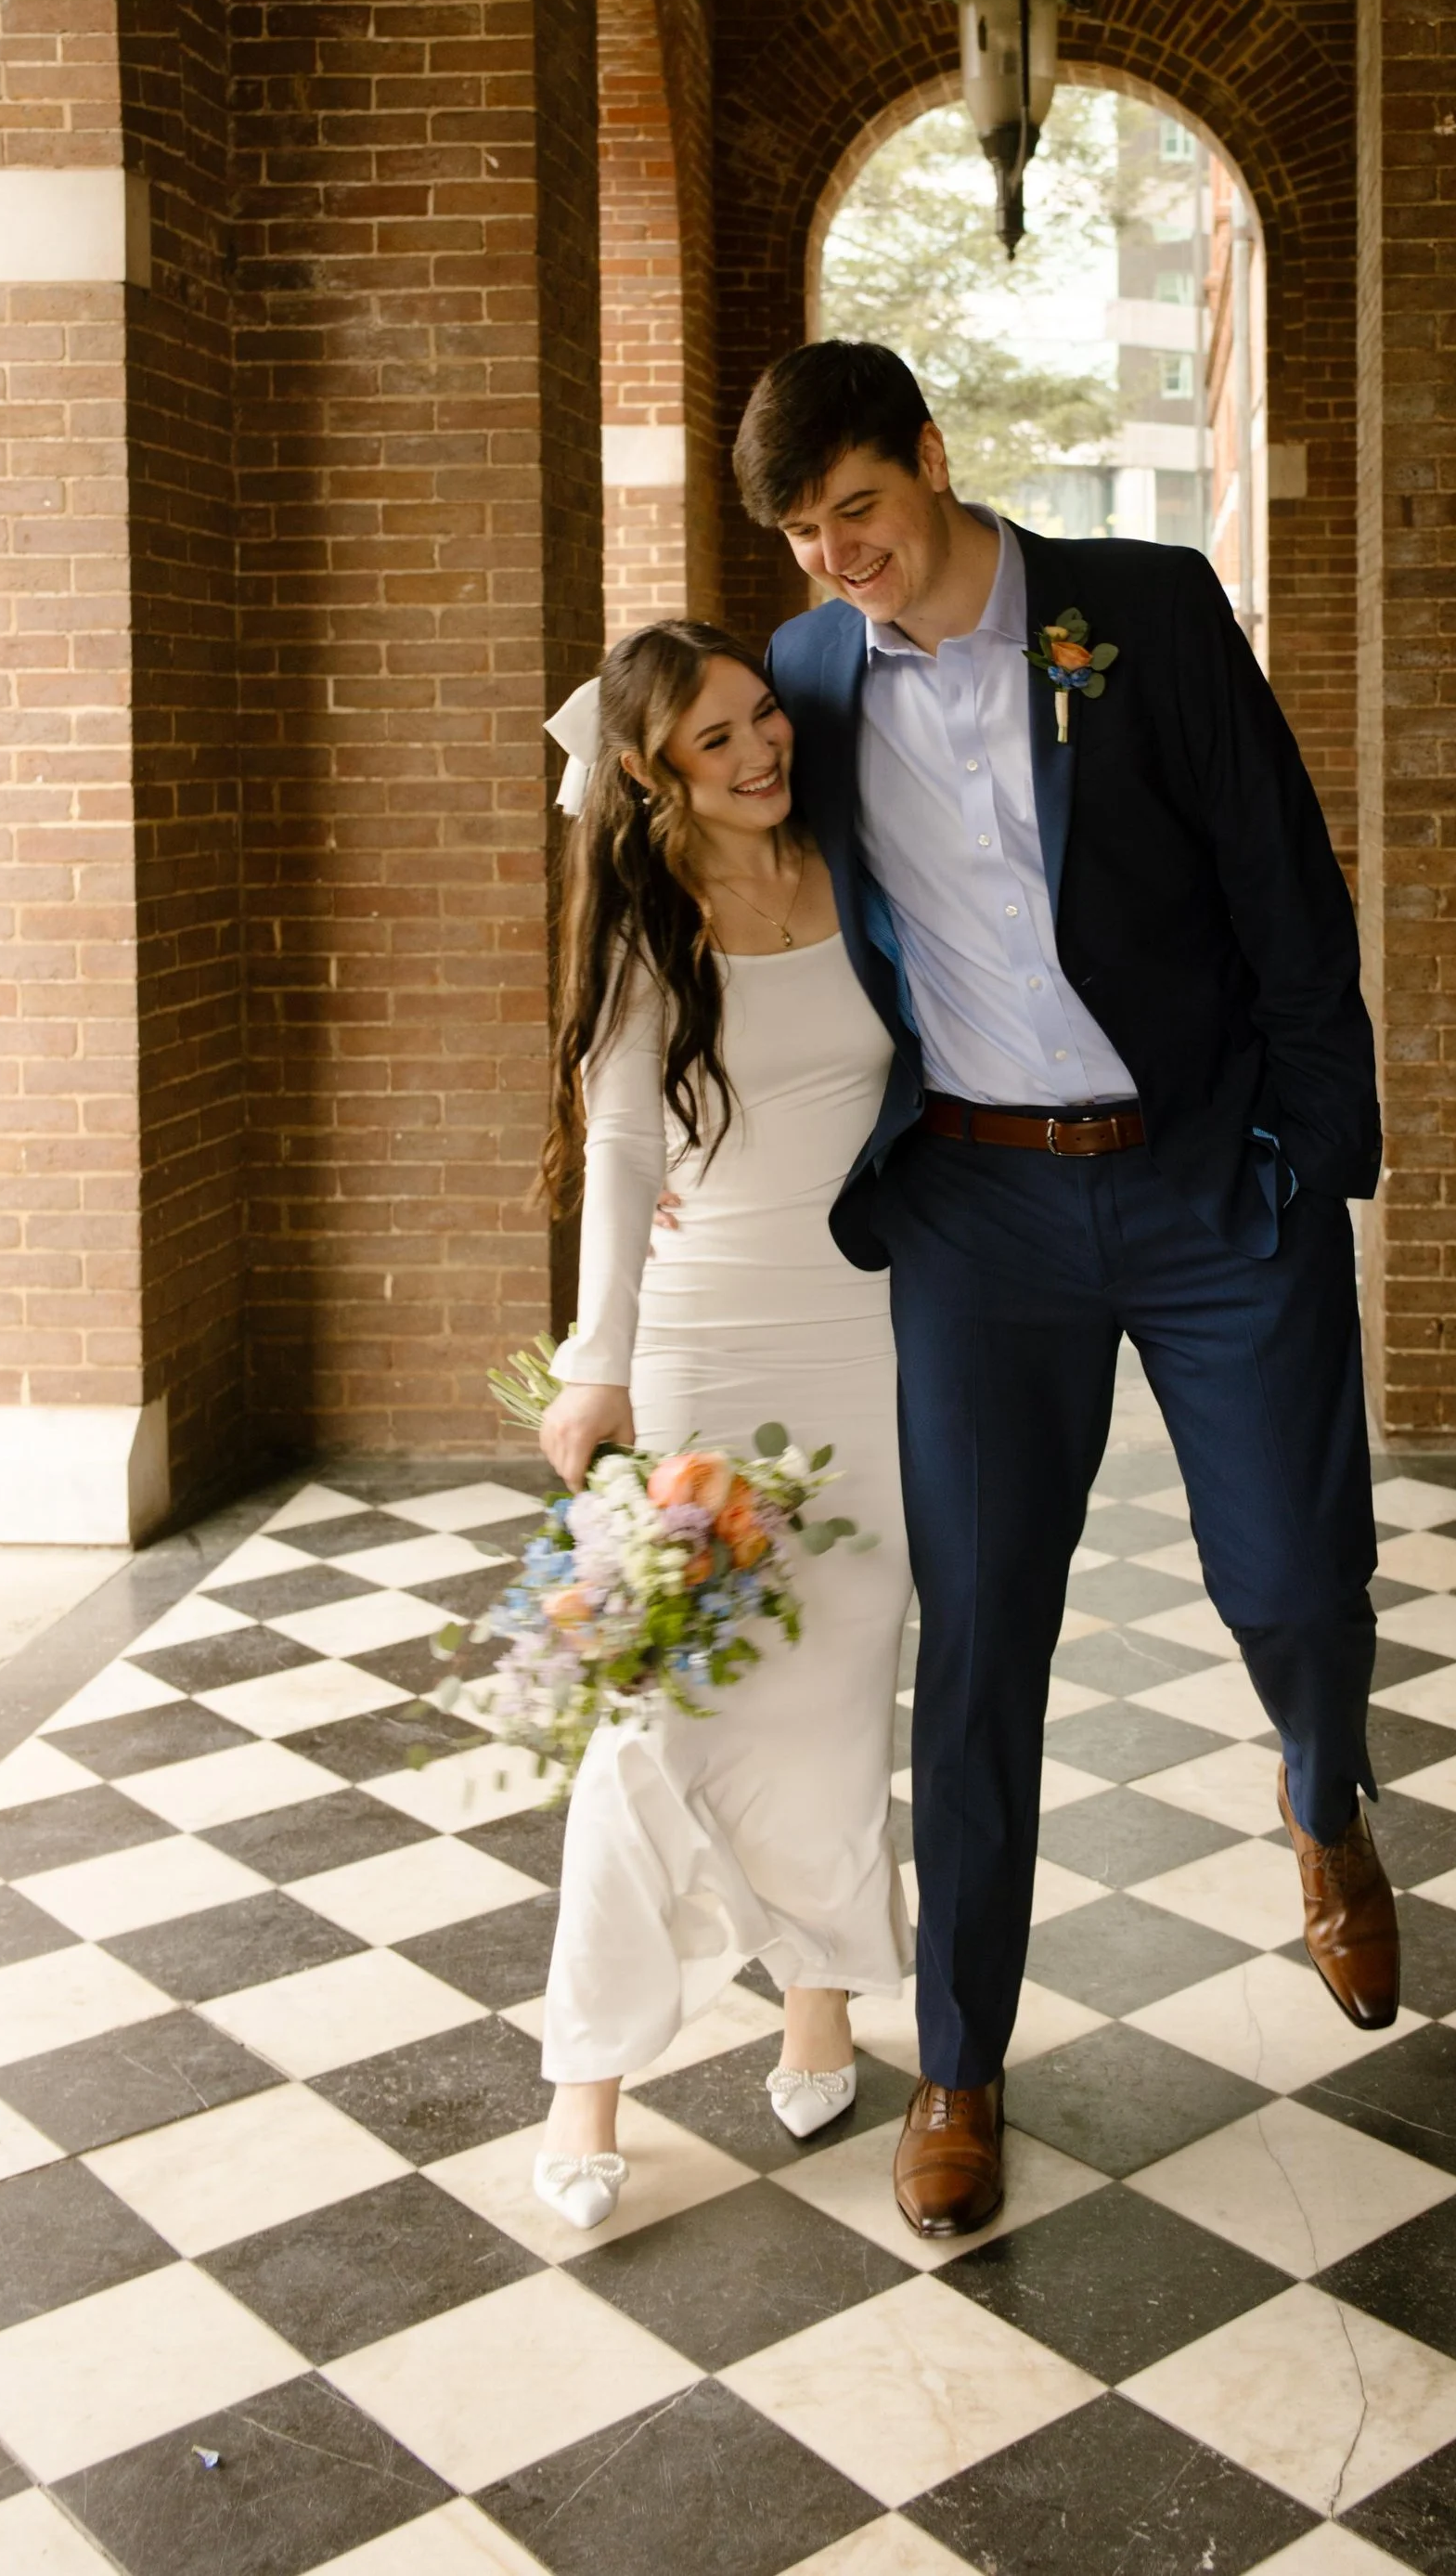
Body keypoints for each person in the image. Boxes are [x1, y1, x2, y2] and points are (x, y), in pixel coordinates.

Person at [741, 340, 1394, 2242]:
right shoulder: (804, 678)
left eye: (857, 508)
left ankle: (1323, 1797)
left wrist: (1309, 1155)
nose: (838, 556)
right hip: (978, 1212)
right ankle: (958, 2061)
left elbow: (1285, 886)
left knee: (1296, 1579)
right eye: (802, 534)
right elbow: (693, 848)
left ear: (932, 460)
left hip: (1202, 1179)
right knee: (980, 1637)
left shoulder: (1146, 608)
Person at [525, 619, 911, 2233]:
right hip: (702, 1345)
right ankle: (588, 2071)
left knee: (836, 1698)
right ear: (648, 774)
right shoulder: (647, 922)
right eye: (716, 740)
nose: (760, 752)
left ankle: (820, 1995)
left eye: (763, 716)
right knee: (655, 1720)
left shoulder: (856, 860)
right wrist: (596, 1359)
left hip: (871, 1340)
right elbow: (623, 1143)